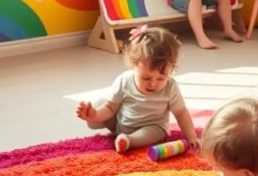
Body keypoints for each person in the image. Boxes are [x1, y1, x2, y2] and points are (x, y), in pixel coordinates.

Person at [76, 25, 199, 154]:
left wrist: (192, 137)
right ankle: (93, 117)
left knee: (155, 133)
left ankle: (129, 140)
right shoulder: (124, 80)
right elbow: (110, 108)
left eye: (161, 78)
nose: (153, 84)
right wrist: (94, 114)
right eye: (146, 78)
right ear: (133, 64)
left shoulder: (170, 87)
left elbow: (181, 113)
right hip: (120, 123)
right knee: (99, 107)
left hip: (151, 127)